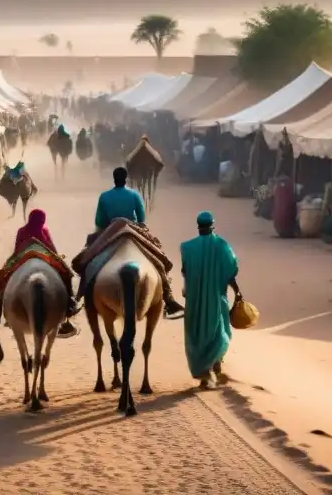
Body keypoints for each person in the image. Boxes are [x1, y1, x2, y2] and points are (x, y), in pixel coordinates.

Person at [76, 166, 185, 318]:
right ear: (126, 179)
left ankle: (80, 296)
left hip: (110, 231)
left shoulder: (104, 196)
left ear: (114, 179)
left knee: (87, 259)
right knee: (158, 257)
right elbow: (141, 219)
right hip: (133, 229)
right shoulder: (134, 195)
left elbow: (99, 221)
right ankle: (169, 297)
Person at [0, 209, 81, 337]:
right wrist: (57, 258)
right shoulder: (44, 230)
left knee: (2, 278)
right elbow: (51, 248)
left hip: (23, 256)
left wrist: (14, 259)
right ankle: (69, 309)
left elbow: (17, 248)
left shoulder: (22, 231)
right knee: (66, 275)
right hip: (45, 256)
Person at [180, 211, 239, 389]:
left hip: (194, 299)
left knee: (196, 334)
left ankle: (204, 373)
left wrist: (187, 289)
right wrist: (237, 291)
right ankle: (216, 363)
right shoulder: (222, 245)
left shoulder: (187, 247)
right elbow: (230, 272)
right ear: (212, 226)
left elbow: (185, 271)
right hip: (217, 297)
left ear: (198, 226)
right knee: (219, 331)